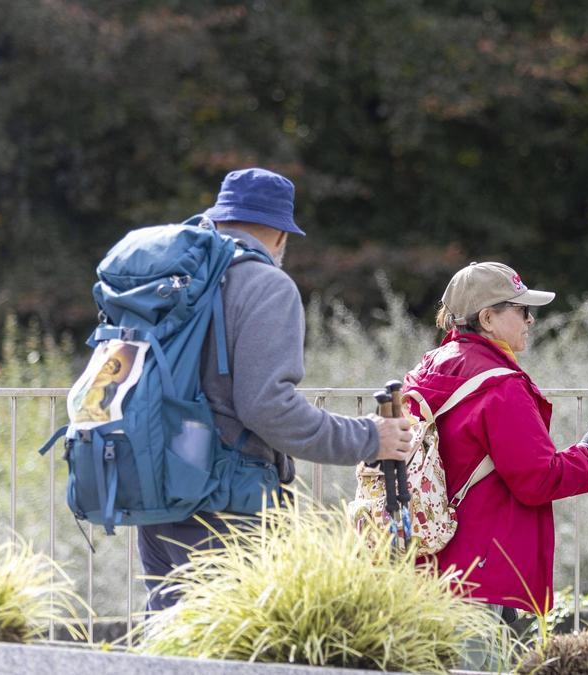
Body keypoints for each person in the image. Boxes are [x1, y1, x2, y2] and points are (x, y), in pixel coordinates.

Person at [137, 168, 412, 611]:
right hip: (225, 500)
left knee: (170, 639)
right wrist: (370, 436)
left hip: (154, 488)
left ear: (219, 218)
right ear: (282, 235)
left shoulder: (176, 279)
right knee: (231, 647)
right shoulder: (265, 285)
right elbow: (268, 408)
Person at [402, 262, 588, 619]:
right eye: (522, 310)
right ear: (487, 318)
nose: (530, 320)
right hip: (481, 572)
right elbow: (537, 478)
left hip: (427, 564)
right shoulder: (502, 387)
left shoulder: (428, 369)